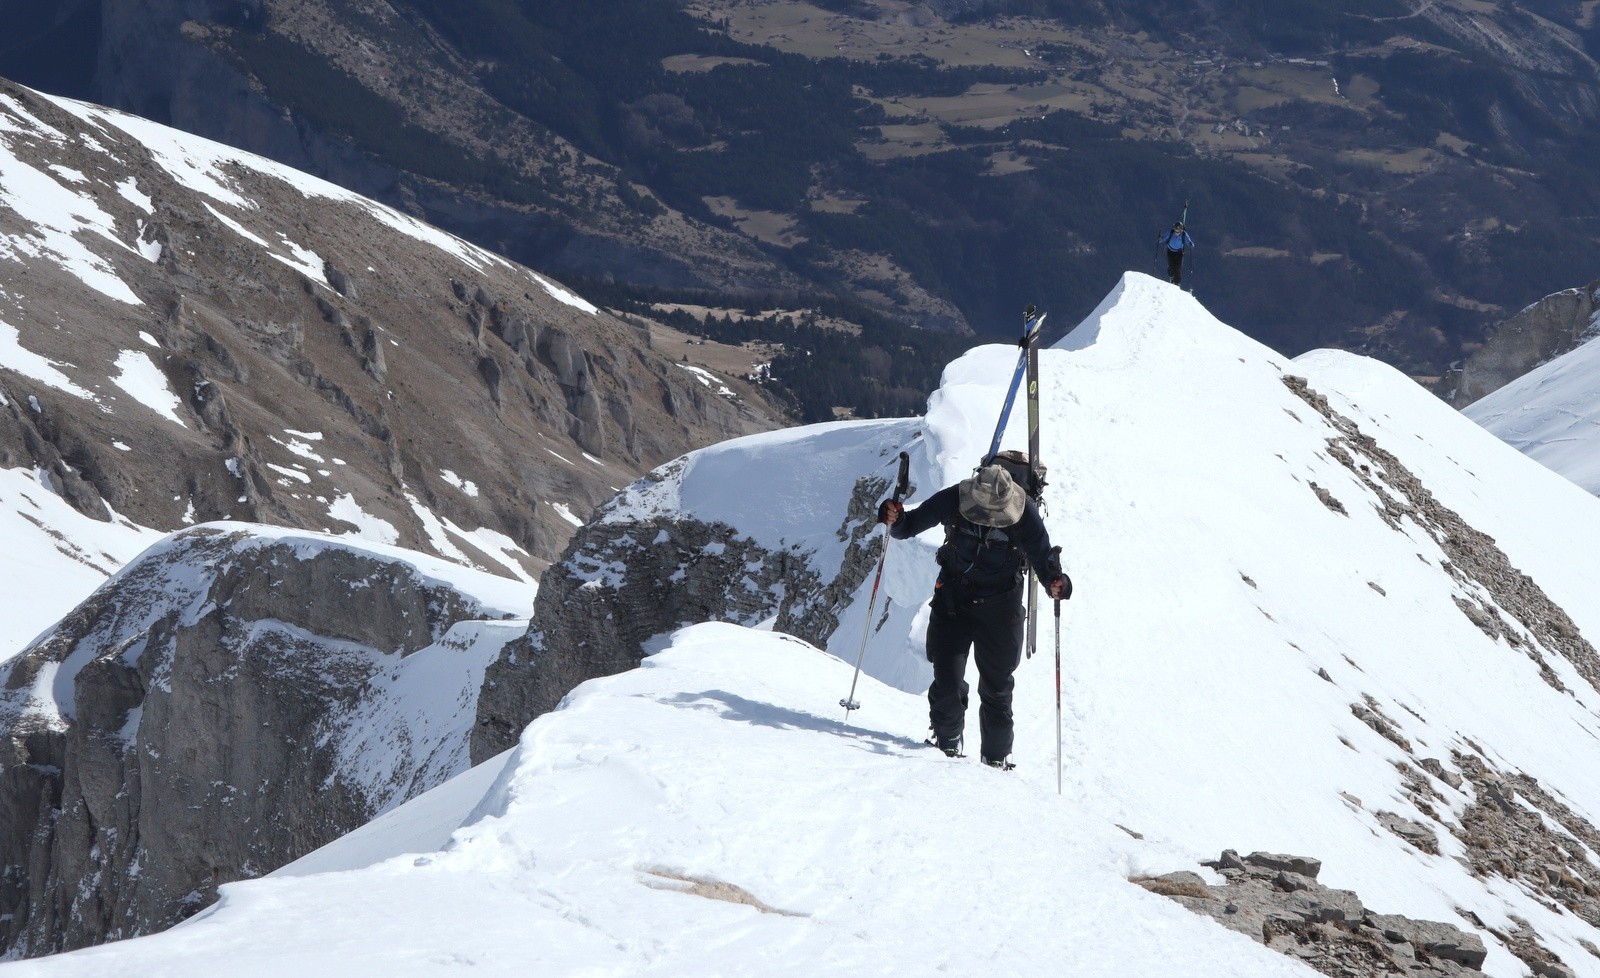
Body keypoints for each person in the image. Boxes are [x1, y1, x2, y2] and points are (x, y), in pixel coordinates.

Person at [877, 461, 1070, 769]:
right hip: (956, 600)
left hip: (999, 608)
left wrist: (1056, 582)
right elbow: (908, 526)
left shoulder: (1025, 514)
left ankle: (994, 760)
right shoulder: (955, 497)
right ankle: (946, 744)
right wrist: (895, 518)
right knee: (947, 681)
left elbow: (1044, 559)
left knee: (996, 688)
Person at [1160, 221, 1195, 286]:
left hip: (1179, 253)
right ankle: (1171, 276)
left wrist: (1191, 244)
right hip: (1170, 251)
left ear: (1181, 230)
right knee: (1171, 267)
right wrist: (1160, 239)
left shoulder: (1184, 234)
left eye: (1178, 230)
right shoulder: (1171, 232)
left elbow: (1188, 241)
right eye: (1175, 230)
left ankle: (1177, 282)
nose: (1176, 232)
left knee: (1178, 268)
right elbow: (1164, 237)